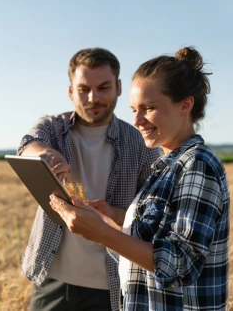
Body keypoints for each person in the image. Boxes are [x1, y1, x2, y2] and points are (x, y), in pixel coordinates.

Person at [49, 46, 230, 310]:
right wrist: (101, 221)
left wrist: (101, 234)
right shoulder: (166, 166)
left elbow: (181, 264)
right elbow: (143, 251)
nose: (137, 120)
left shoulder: (198, 164)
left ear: (185, 104)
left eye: (148, 108)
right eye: (134, 108)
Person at [17, 47, 160, 311]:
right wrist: (45, 153)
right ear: (71, 92)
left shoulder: (141, 142)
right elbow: (28, 144)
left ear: (118, 87)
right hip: (54, 277)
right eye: (83, 89)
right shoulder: (53, 128)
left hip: (114, 282)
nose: (93, 98)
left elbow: (155, 212)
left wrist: (116, 215)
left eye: (103, 87)